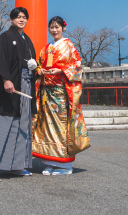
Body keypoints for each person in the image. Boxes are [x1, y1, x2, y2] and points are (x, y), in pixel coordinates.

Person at [0, 7, 37, 183]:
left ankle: (16, 166)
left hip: (25, 86)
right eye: (18, 17)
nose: (21, 20)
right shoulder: (5, 37)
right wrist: (6, 79)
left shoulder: (27, 40)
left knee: (22, 126)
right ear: (11, 20)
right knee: (5, 124)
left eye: (24, 17)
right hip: (10, 86)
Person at [33, 16, 90, 175]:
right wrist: (39, 71)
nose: (54, 30)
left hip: (61, 92)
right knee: (47, 127)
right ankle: (51, 162)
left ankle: (65, 165)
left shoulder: (69, 45)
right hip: (46, 92)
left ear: (63, 28)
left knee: (61, 126)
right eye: (51, 27)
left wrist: (62, 70)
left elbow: (77, 65)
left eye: (57, 27)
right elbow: (39, 64)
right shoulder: (46, 48)